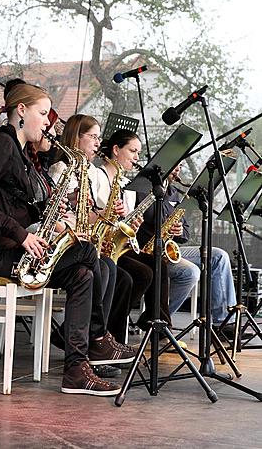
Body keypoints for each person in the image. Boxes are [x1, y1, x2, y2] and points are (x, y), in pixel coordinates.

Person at [0, 83, 135, 396]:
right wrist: (20, 234)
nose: (47, 121)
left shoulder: (23, 155)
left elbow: (14, 203)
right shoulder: (2, 144)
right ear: (21, 111)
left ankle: (75, 369)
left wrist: (50, 218)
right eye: (43, 113)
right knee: (85, 253)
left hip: (14, 252)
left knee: (82, 274)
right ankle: (97, 340)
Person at [48, 116, 150, 346]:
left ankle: (100, 339)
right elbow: (61, 215)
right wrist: (106, 214)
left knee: (119, 275)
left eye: (98, 137)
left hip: (85, 241)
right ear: (76, 137)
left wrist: (113, 215)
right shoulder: (61, 169)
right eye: (93, 136)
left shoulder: (89, 171)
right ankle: (91, 340)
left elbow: (92, 212)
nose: (97, 142)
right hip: (66, 240)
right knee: (111, 270)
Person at [138, 162, 240, 339]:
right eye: (175, 163)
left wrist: (179, 231)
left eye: (181, 165)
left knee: (219, 256)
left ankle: (221, 323)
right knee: (190, 272)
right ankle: (157, 320)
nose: (178, 168)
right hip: (146, 251)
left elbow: (185, 232)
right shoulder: (142, 189)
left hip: (169, 249)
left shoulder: (175, 193)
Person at [98, 129, 173, 342]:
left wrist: (133, 223)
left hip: (119, 245)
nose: (136, 158)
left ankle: (156, 325)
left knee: (158, 263)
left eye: (139, 153)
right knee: (141, 273)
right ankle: (109, 333)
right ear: (115, 150)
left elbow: (127, 224)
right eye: (132, 151)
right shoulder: (99, 176)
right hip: (103, 244)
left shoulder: (127, 186)